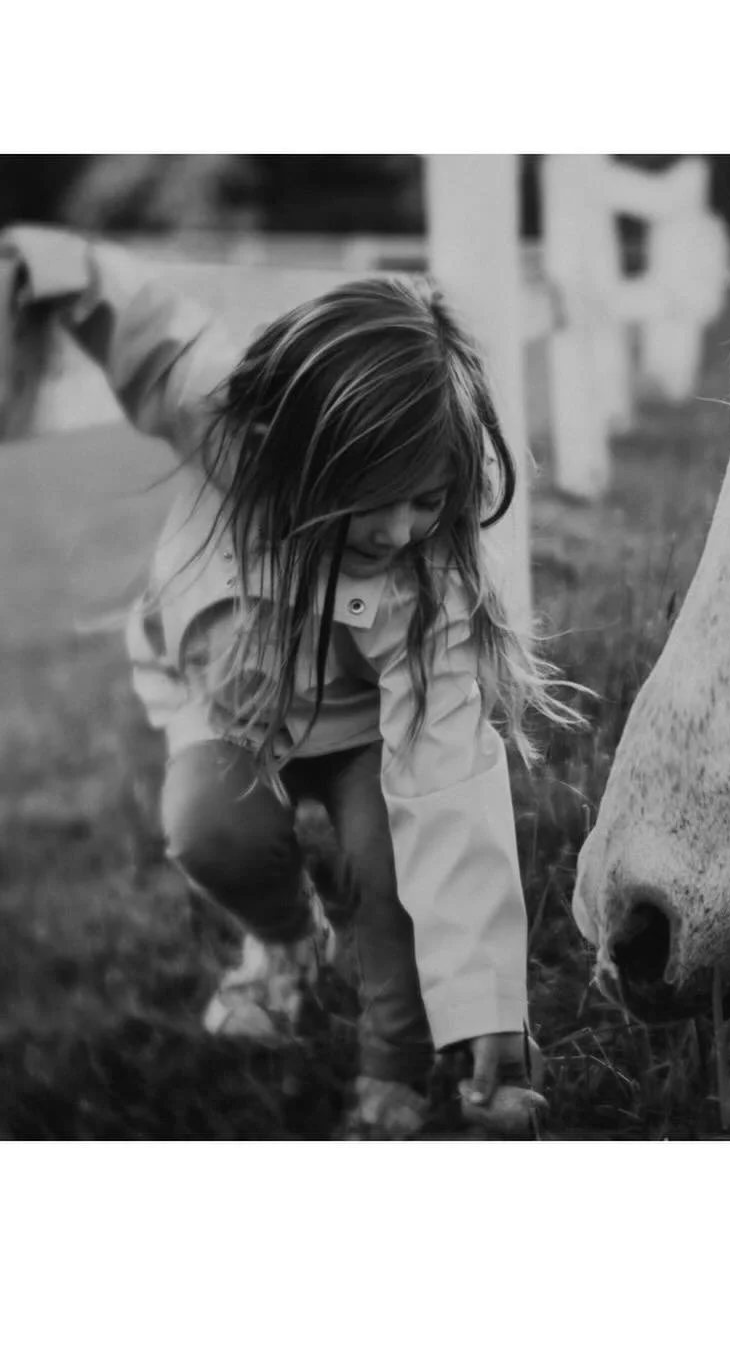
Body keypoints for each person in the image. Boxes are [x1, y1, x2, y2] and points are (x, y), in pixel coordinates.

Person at [0, 224, 571, 1138]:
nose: (398, 530)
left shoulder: (425, 591)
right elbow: (147, 326)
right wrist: (48, 267)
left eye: (429, 498)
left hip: (357, 730)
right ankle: (282, 942)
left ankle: (394, 1067)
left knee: (386, 874)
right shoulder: (228, 421)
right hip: (225, 701)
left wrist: (489, 1005)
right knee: (209, 831)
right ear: (298, 444)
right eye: (371, 495)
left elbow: (452, 788)